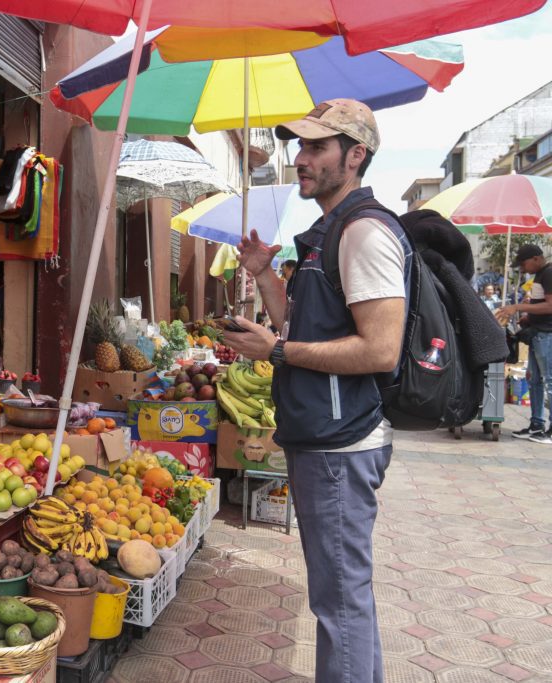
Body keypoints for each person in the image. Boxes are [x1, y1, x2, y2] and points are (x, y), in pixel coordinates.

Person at [221, 99, 409, 683]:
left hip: (340, 446)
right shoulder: (331, 232)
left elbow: (381, 349)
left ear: (355, 156)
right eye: (299, 147)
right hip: (323, 440)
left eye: (316, 148)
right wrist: (265, 275)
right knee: (339, 598)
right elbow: (307, 325)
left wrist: (276, 351)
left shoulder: (364, 233)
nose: (300, 160)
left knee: (340, 604)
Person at [497, 244, 552, 443]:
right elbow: (541, 305)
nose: (522, 268)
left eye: (523, 263)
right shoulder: (540, 275)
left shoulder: (548, 274)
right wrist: (528, 317)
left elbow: (550, 305)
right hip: (537, 333)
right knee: (535, 381)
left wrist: (518, 307)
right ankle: (537, 424)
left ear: (537, 258)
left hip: (547, 335)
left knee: (549, 381)